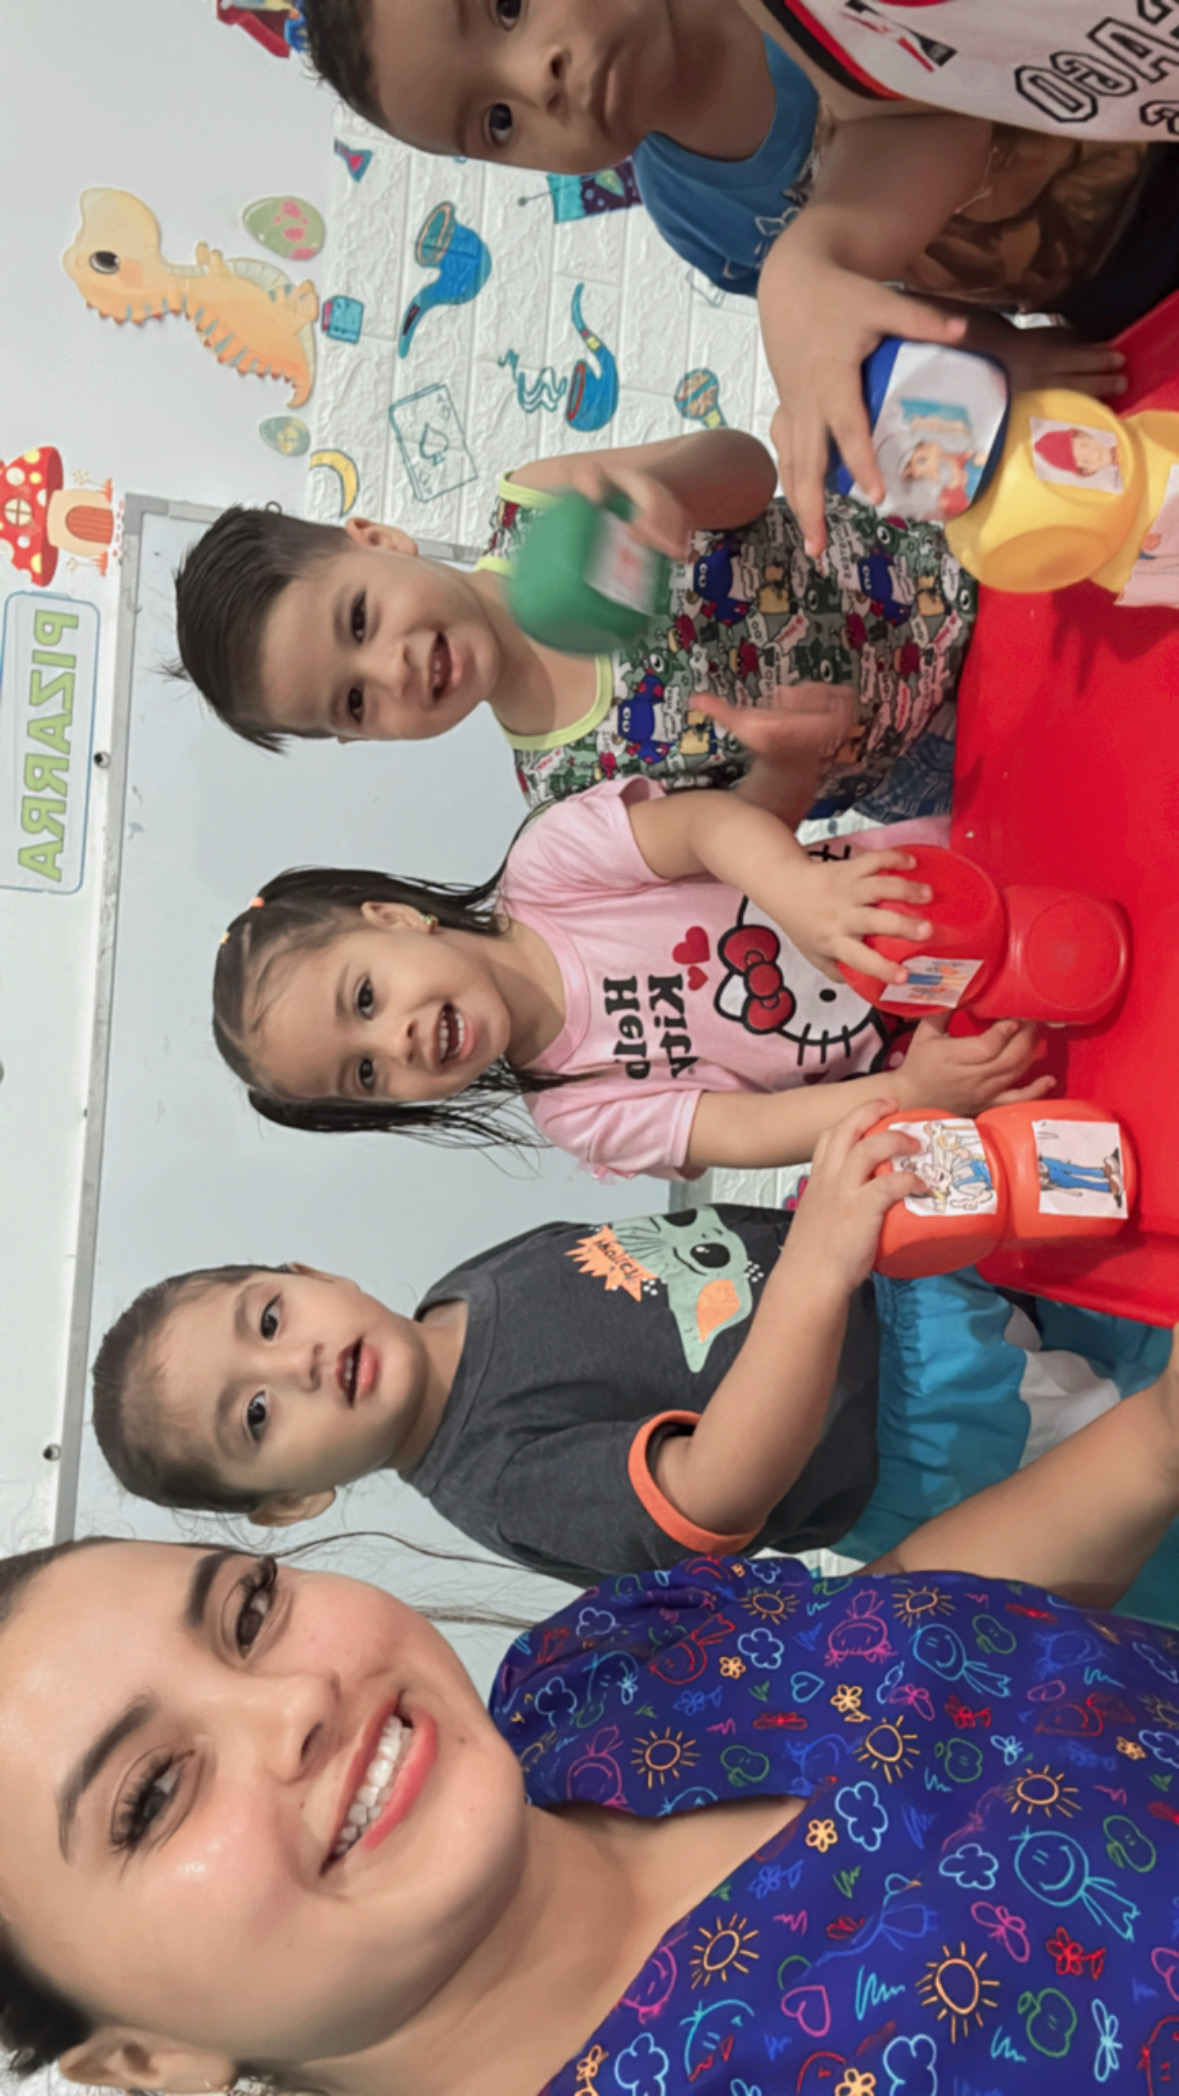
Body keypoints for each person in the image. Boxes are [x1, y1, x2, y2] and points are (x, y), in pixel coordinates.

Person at [2, 1324, 1179, 2094]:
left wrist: (1158, 1437)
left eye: (248, 1612)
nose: (297, 1698)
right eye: (152, 1791)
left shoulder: (591, 1670)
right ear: (145, 2056)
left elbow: (919, 1616)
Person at [89, 1107, 1174, 1611]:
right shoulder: (494, 1480)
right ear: (292, 1502)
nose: (296, 1365)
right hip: (929, 1430)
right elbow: (715, 1492)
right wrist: (815, 1270)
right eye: (257, 1417)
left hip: (912, 1286)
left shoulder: (468, 1284)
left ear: (307, 1269)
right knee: (1147, 1444)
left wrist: (827, 1211)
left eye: (269, 1319)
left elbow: (700, 1263)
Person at [293, 0, 1135, 560]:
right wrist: (994, 357)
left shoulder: (797, 20)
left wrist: (807, 263)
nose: (533, 81)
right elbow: (886, 309)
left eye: (508, 5)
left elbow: (932, 111)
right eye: (497, 122)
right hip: (1096, 296)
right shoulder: (691, 215)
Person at [209, 780, 1050, 1176]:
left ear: (393, 918)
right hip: (942, 1054)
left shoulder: (549, 867)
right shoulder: (577, 1111)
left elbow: (703, 825)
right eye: (364, 1074)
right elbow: (752, 1132)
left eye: (364, 998)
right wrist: (911, 1092)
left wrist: (794, 891)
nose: (394, 1042)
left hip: (942, 895)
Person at [174, 428, 975, 826]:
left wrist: (664, 487)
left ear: (380, 539)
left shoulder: (544, 504)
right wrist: (785, 766)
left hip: (942, 568)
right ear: (359, 740)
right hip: (914, 764)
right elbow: (740, 835)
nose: (391, 670)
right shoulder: (566, 796)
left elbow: (749, 469)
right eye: (354, 703)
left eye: (359, 620)